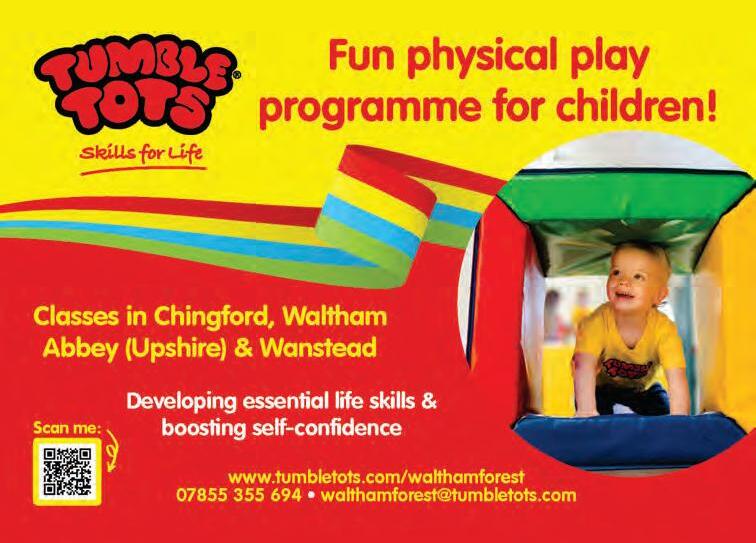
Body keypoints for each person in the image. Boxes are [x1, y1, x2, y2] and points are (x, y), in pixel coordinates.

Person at [572, 242, 690, 417]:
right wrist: (586, 411)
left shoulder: (664, 329)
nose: (623, 281)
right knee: (593, 399)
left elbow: (676, 376)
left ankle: (628, 412)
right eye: (616, 272)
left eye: (638, 276)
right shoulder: (597, 322)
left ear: (659, 295)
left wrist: (680, 418)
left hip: (640, 392)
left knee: (660, 402)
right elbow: (583, 366)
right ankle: (611, 413)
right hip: (601, 389)